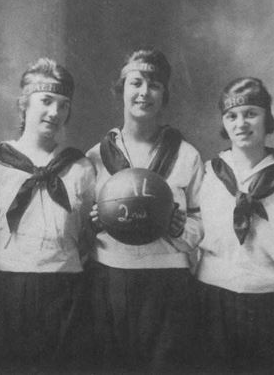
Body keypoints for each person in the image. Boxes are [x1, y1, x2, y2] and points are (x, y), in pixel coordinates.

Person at [86, 48, 204, 373]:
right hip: (109, 277)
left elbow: (202, 226)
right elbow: (76, 225)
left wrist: (181, 227)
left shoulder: (186, 155)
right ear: (121, 89)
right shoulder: (96, 156)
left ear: (164, 95)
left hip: (167, 283)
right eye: (135, 83)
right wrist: (93, 223)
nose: (143, 93)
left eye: (154, 85)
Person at [0, 58, 95, 372]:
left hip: (65, 290)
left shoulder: (80, 167)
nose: (55, 113)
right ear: (24, 105)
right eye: (46, 101)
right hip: (5, 289)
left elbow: (89, 234)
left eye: (63, 105)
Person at [195, 77, 274, 373]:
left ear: (267, 118)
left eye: (251, 113)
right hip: (211, 295)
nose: (241, 123)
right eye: (232, 116)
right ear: (224, 123)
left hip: (268, 302)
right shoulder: (207, 174)